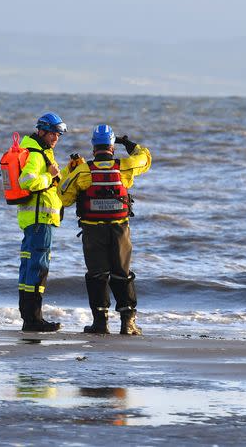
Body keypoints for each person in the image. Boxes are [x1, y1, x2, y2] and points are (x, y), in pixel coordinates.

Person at [59, 124, 151, 335]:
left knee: (97, 275)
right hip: (120, 229)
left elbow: (64, 198)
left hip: (92, 232)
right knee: (122, 274)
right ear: (112, 146)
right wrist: (128, 143)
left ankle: (100, 323)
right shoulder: (125, 166)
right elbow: (145, 158)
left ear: (93, 147)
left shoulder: (83, 171)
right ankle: (128, 324)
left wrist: (70, 170)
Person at [16, 112, 67, 332]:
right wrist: (50, 177)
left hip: (34, 220)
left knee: (29, 266)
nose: (56, 137)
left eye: (59, 134)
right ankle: (34, 320)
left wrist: (64, 172)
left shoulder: (39, 151)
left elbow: (52, 179)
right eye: (54, 133)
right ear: (42, 131)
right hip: (40, 220)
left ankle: (29, 318)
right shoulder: (37, 155)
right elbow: (26, 181)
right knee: (38, 268)